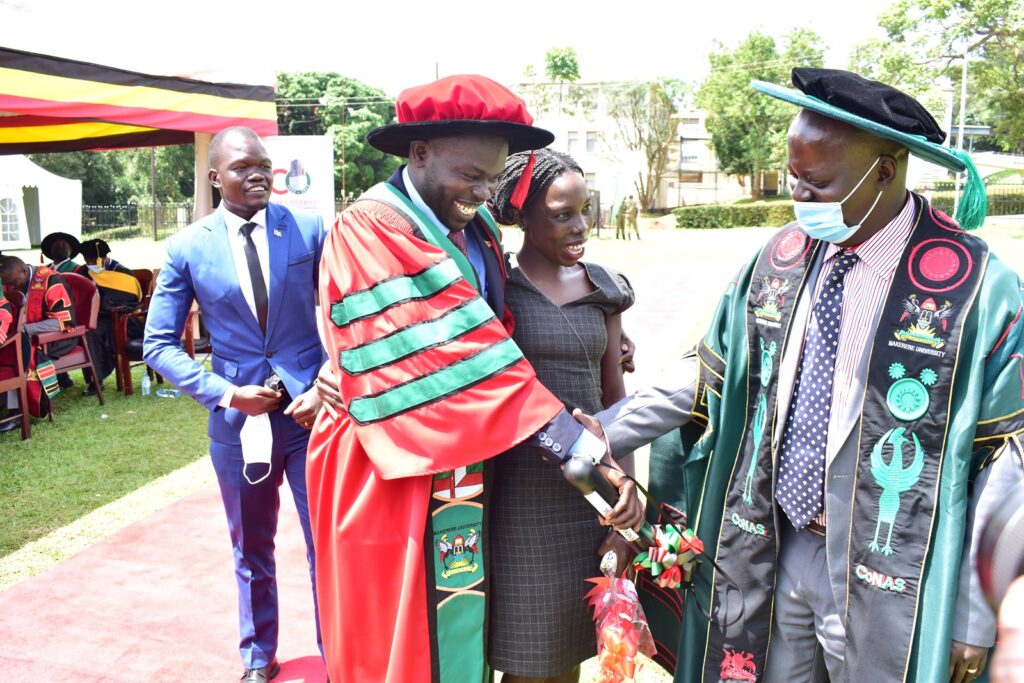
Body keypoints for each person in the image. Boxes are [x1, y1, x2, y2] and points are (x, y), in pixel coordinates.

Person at [589, 68, 1024, 682]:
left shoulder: (975, 289)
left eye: (816, 182)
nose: (799, 198)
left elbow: (1007, 463)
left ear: (884, 171)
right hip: (773, 541)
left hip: (897, 564)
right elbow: (717, 372)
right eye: (792, 177)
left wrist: (976, 617)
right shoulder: (778, 259)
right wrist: (603, 433)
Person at [305, 74, 644, 683]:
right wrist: (579, 450)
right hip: (390, 465)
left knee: (467, 631)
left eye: (493, 178)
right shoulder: (374, 228)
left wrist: (598, 338)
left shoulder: (477, 230)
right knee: (399, 638)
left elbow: (504, 338)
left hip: (465, 458)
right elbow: (461, 359)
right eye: (470, 175)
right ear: (420, 152)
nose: (483, 193)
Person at [143, 126, 326, 683]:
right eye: (243, 165)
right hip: (238, 422)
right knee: (252, 549)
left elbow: (347, 314)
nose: (258, 174)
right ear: (214, 176)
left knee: (327, 546)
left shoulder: (309, 229)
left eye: (264, 165)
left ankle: (340, 653)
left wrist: (326, 384)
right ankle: (257, 659)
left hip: (309, 416)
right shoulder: (187, 248)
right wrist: (225, 393)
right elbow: (157, 344)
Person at [486, 149, 636, 683]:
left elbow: (617, 404)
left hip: (591, 493)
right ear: (522, 216)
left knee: (570, 656)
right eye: (561, 214)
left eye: (584, 210)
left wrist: (626, 502)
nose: (580, 228)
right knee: (527, 657)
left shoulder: (604, 288)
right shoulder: (493, 285)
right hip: (519, 498)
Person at [0, 255, 77, 424]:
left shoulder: (51, 279)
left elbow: (63, 321)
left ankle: (18, 410)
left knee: (18, 350)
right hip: (25, 334)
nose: (10, 287)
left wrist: (25, 329)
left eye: (13, 282)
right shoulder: (8, 281)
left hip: (57, 337)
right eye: (6, 284)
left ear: (23, 270)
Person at [78, 238, 142, 395]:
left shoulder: (122, 272)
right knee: (87, 331)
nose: (90, 264)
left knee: (98, 332)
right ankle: (95, 379)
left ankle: (97, 378)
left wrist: (105, 307)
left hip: (122, 319)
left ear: (103, 258)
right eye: (87, 260)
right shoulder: (83, 272)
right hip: (95, 318)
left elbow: (131, 302)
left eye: (94, 260)